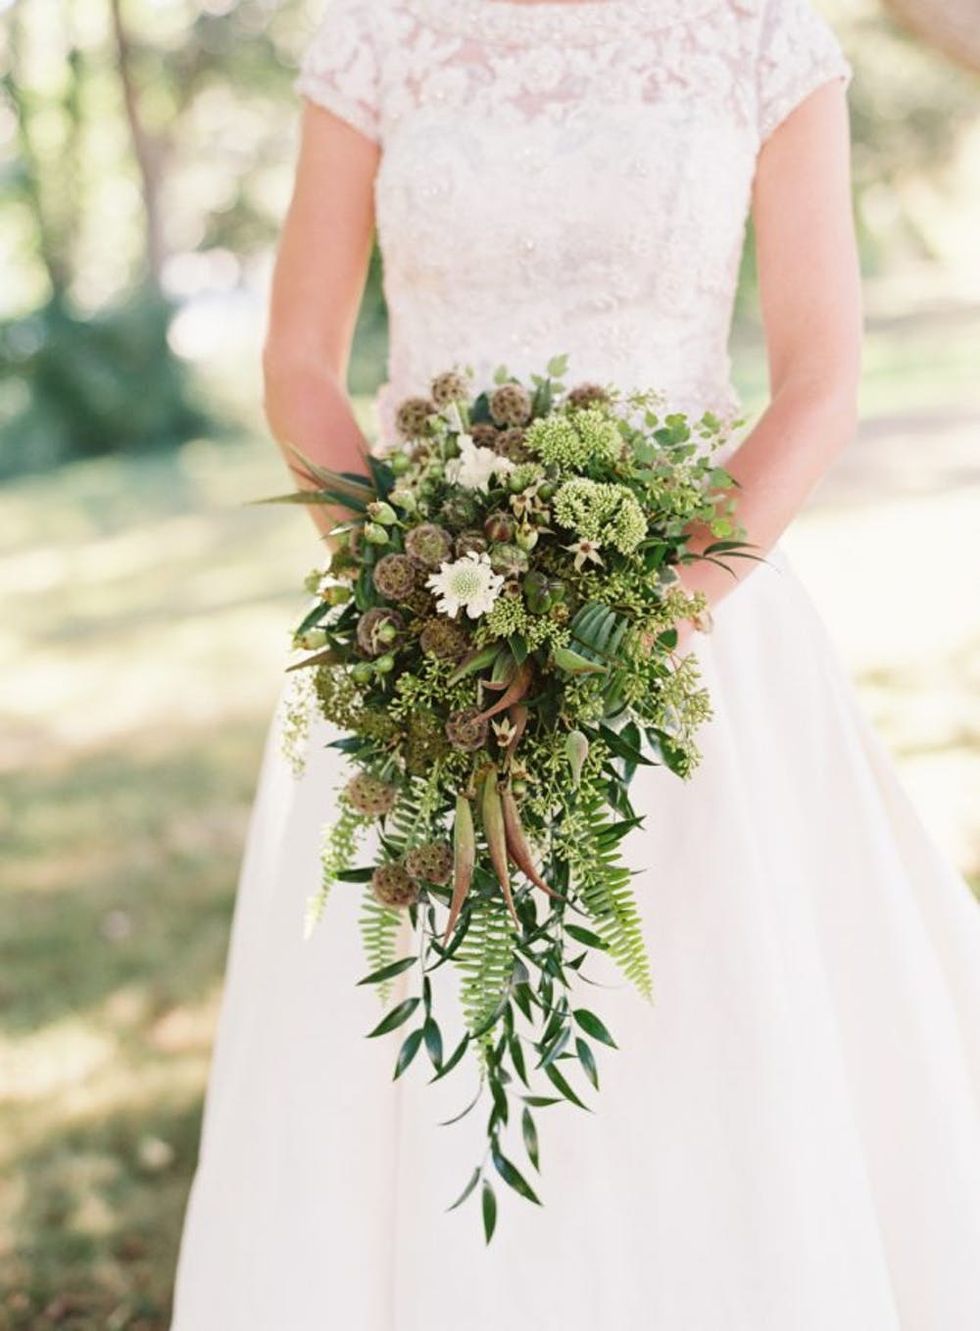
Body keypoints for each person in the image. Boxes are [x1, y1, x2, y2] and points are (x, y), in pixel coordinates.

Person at [169, 1, 980, 1326]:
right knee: (421, 1071)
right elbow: (299, 361)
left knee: (714, 1052)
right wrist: (404, 590)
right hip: (426, 640)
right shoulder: (379, 34)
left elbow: (822, 380)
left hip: (698, 646)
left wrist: (648, 617)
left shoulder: (761, 32)